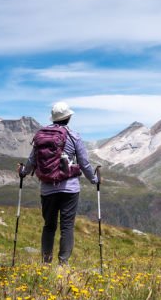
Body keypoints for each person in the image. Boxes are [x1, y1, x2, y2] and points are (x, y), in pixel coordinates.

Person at [18, 101, 100, 264]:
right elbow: (84, 163)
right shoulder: (73, 136)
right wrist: (94, 179)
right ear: (68, 117)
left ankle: (45, 263)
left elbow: (32, 160)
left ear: (53, 118)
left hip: (47, 189)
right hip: (70, 188)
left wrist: (23, 172)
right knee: (67, 226)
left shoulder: (41, 136)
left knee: (49, 225)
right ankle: (63, 264)